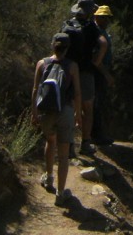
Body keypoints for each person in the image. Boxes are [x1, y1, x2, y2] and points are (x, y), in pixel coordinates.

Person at [31, 32, 81, 206]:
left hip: (46, 111)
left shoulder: (41, 64)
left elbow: (36, 89)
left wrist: (34, 112)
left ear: (52, 45)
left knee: (50, 141)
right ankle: (60, 193)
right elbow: (77, 92)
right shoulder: (72, 66)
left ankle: (49, 177)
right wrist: (78, 113)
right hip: (65, 111)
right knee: (64, 153)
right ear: (67, 48)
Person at [62, 0, 101, 157]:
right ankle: (85, 143)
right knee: (87, 108)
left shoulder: (67, 25)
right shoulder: (91, 27)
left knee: (70, 108)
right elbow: (102, 44)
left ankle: (69, 145)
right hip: (85, 72)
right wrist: (96, 63)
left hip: (68, 70)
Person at [90, 5, 116, 146]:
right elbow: (96, 59)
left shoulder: (101, 32)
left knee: (99, 104)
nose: (106, 20)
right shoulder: (96, 34)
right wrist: (107, 75)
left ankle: (99, 133)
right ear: (97, 18)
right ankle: (96, 135)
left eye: (108, 18)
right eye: (104, 17)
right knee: (96, 104)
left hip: (101, 72)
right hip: (97, 73)